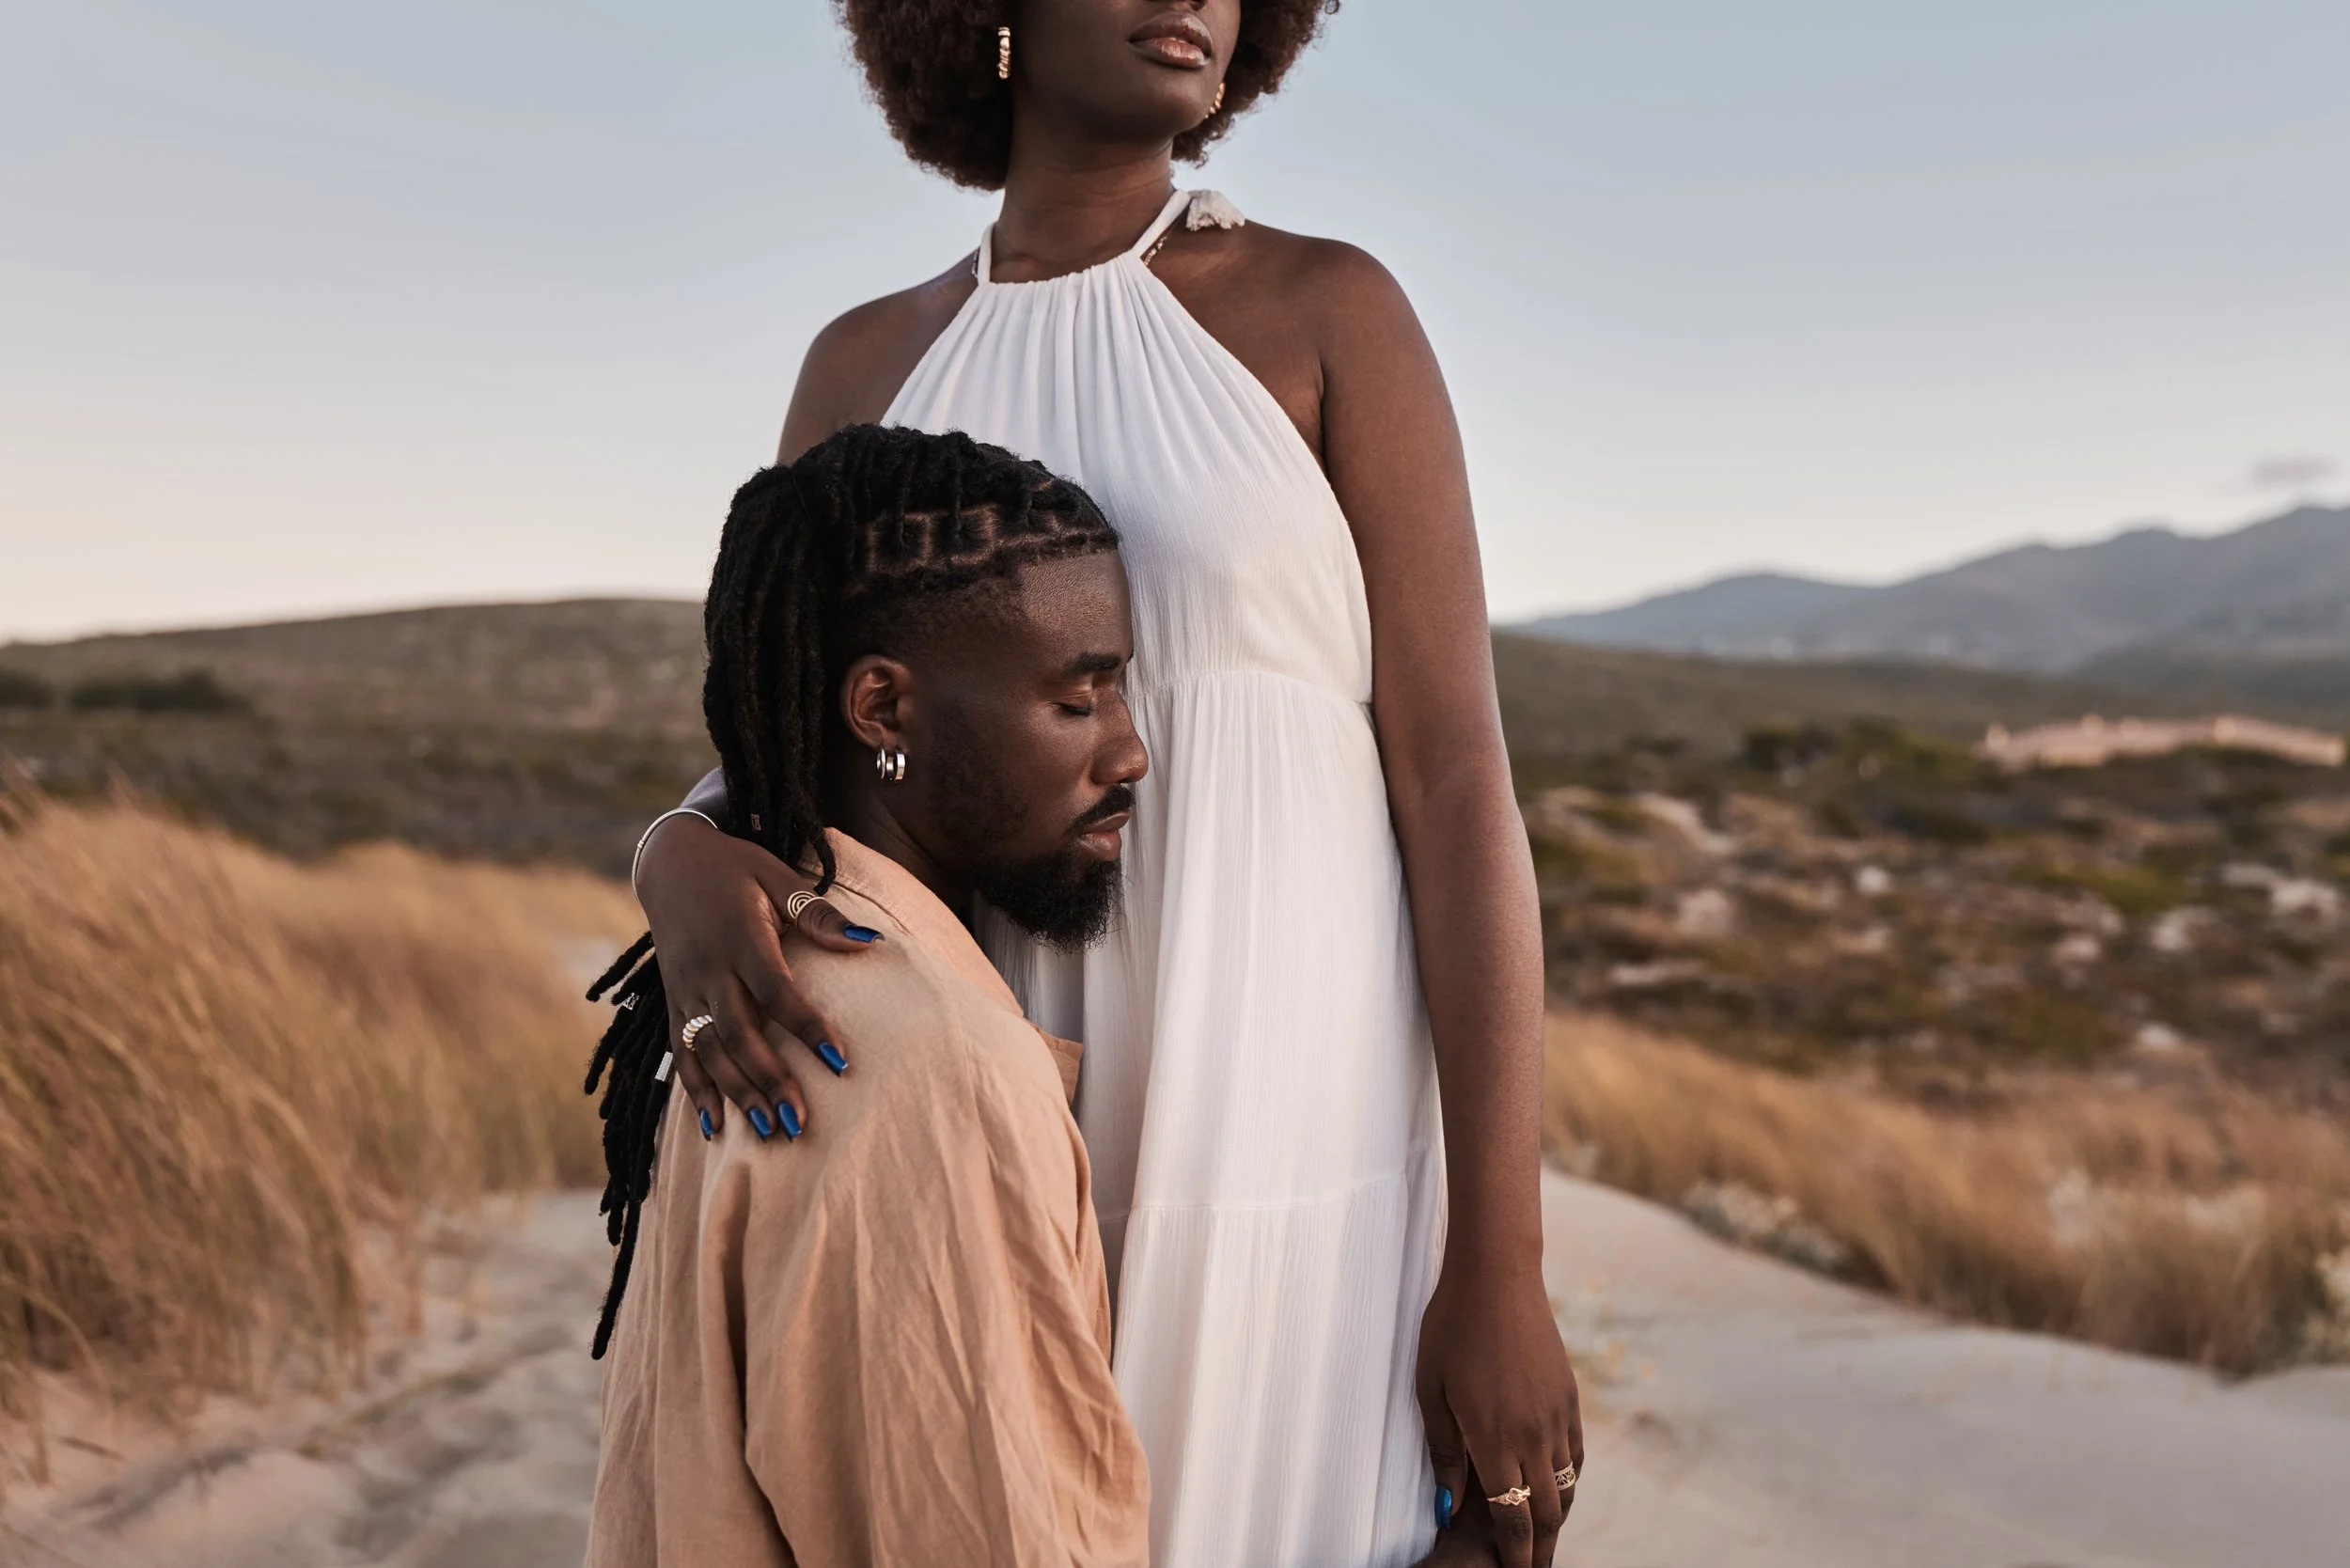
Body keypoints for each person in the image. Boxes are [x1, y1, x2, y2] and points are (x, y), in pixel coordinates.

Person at [632, 3, 1584, 1563]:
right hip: (974, 1086)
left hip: (1299, 1111)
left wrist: (1502, 1264)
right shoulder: (867, 361)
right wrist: (673, 846)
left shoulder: (1328, 308)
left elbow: (1461, 779)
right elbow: (786, 726)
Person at [583, 426, 1152, 1565]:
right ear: (883, 710)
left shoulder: (764, 974)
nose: (1129, 752)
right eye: (1076, 702)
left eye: (1119, 690)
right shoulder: (924, 1065)